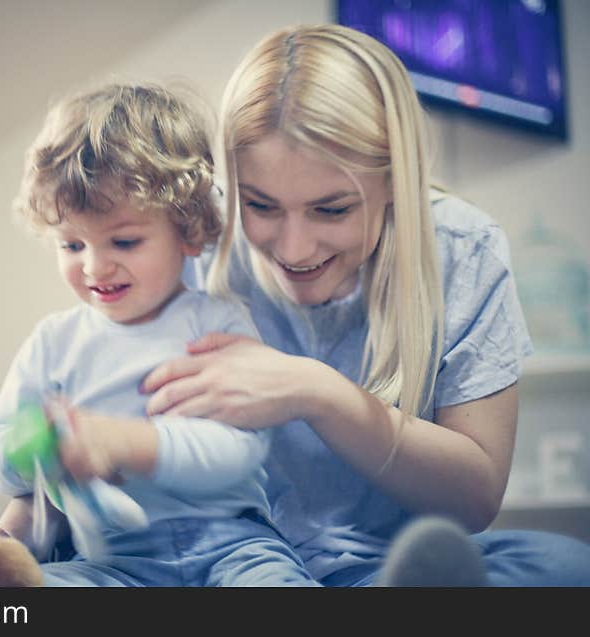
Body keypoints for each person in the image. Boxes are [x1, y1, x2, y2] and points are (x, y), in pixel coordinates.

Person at [140, 24, 590, 586]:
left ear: (394, 181)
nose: (294, 248)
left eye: (332, 210)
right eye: (261, 205)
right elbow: (97, 394)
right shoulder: (196, 235)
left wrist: (317, 392)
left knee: (566, 569)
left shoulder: (463, 249)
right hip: (228, 560)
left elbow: (476, 500)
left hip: (387, 563)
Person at [0, 82, 315, 586]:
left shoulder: (216, 322)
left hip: (234, 545)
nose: (94, 265)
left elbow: (240, 451)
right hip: (111, 557)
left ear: (189, 229)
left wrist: (128, 443)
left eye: (124, 241)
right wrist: (33, 450)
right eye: (70, 244)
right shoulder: (55, 341)